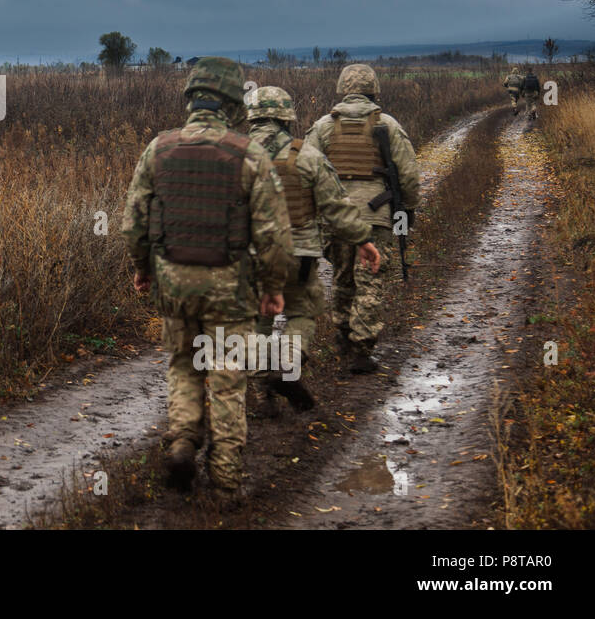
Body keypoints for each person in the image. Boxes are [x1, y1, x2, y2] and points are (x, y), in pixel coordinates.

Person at [121, 57, 291, 497]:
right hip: (229, 287)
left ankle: (182, 441)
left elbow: (134, 223)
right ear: (233, 103)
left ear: (191, 98)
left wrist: (143, 270)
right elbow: (273, 234)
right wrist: (273, 288)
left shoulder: (158, 149)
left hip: (174, 283)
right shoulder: (248, 154)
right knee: (227, 378)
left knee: (183, 366)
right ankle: (226, 481)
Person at [243, 86, 381, 412]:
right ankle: (288, 364)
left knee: (256, 321)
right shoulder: (306, 156)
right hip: (298, 256)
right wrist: (364, 239)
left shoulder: (234, 156)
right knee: (302, 312)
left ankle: (262, 396)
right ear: (286, 119)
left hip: (248, 257)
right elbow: (337, 208)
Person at [303, 64, 420, 374]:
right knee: (370, 281)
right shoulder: (389, 125)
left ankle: (342, 336)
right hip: (375, 216)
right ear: (374, 89)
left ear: (343, 88)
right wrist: (407, 209)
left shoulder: (323, 127)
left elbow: (306, 171)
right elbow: (408, 174)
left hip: (335, 218)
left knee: (342, 278)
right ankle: (361, 349)